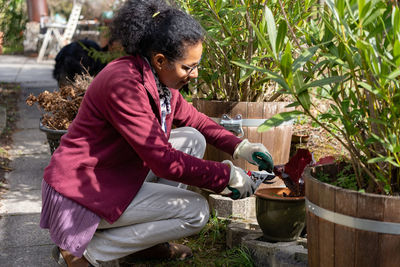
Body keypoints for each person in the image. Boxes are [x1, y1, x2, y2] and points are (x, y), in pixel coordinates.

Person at [40, 0, 273, 266]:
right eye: (189, 67)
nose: (194, 74)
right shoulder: (124, 85)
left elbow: (195, 119)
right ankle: (85, 252)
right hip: (80, 194)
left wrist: (240, 147)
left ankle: (143, 246)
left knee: (192, 139)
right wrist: (226, 176)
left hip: (110, 174)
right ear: (160, 60)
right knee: (196, 212)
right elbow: (163, 161)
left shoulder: (155, 79)